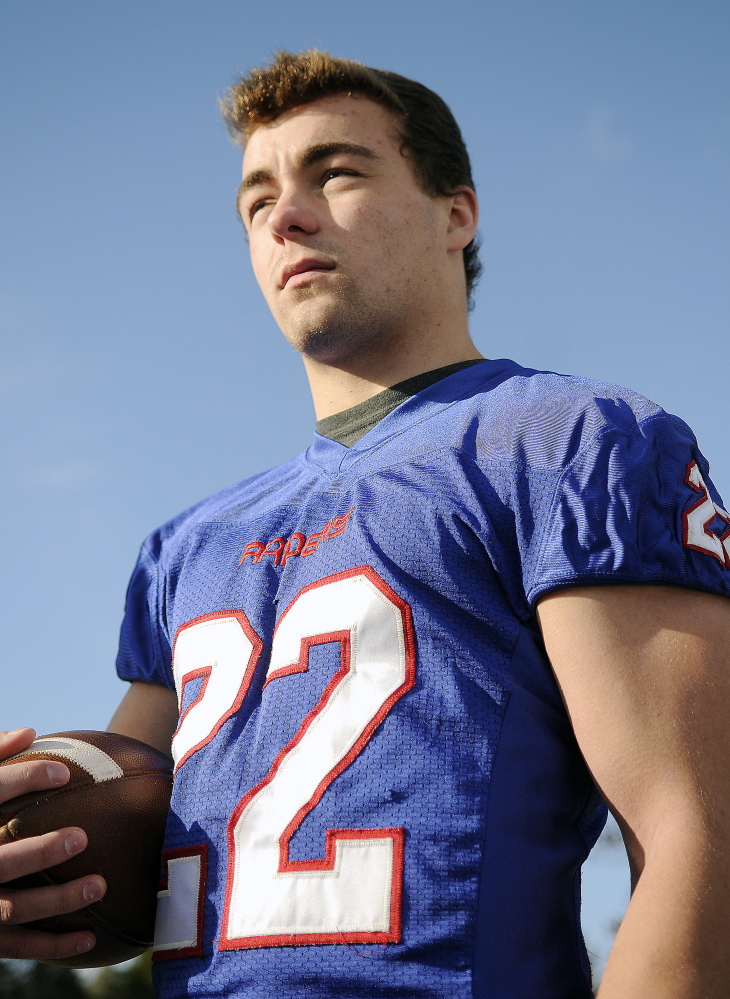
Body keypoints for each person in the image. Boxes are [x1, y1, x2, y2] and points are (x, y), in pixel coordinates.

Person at [2, 49, 730, 999]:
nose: (286, 214)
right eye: (255, 201)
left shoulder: (567, 439)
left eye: (336, 171)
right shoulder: (182, 547)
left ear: (455, 215)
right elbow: (128, 845)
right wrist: (35, 863)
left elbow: (699, 832)